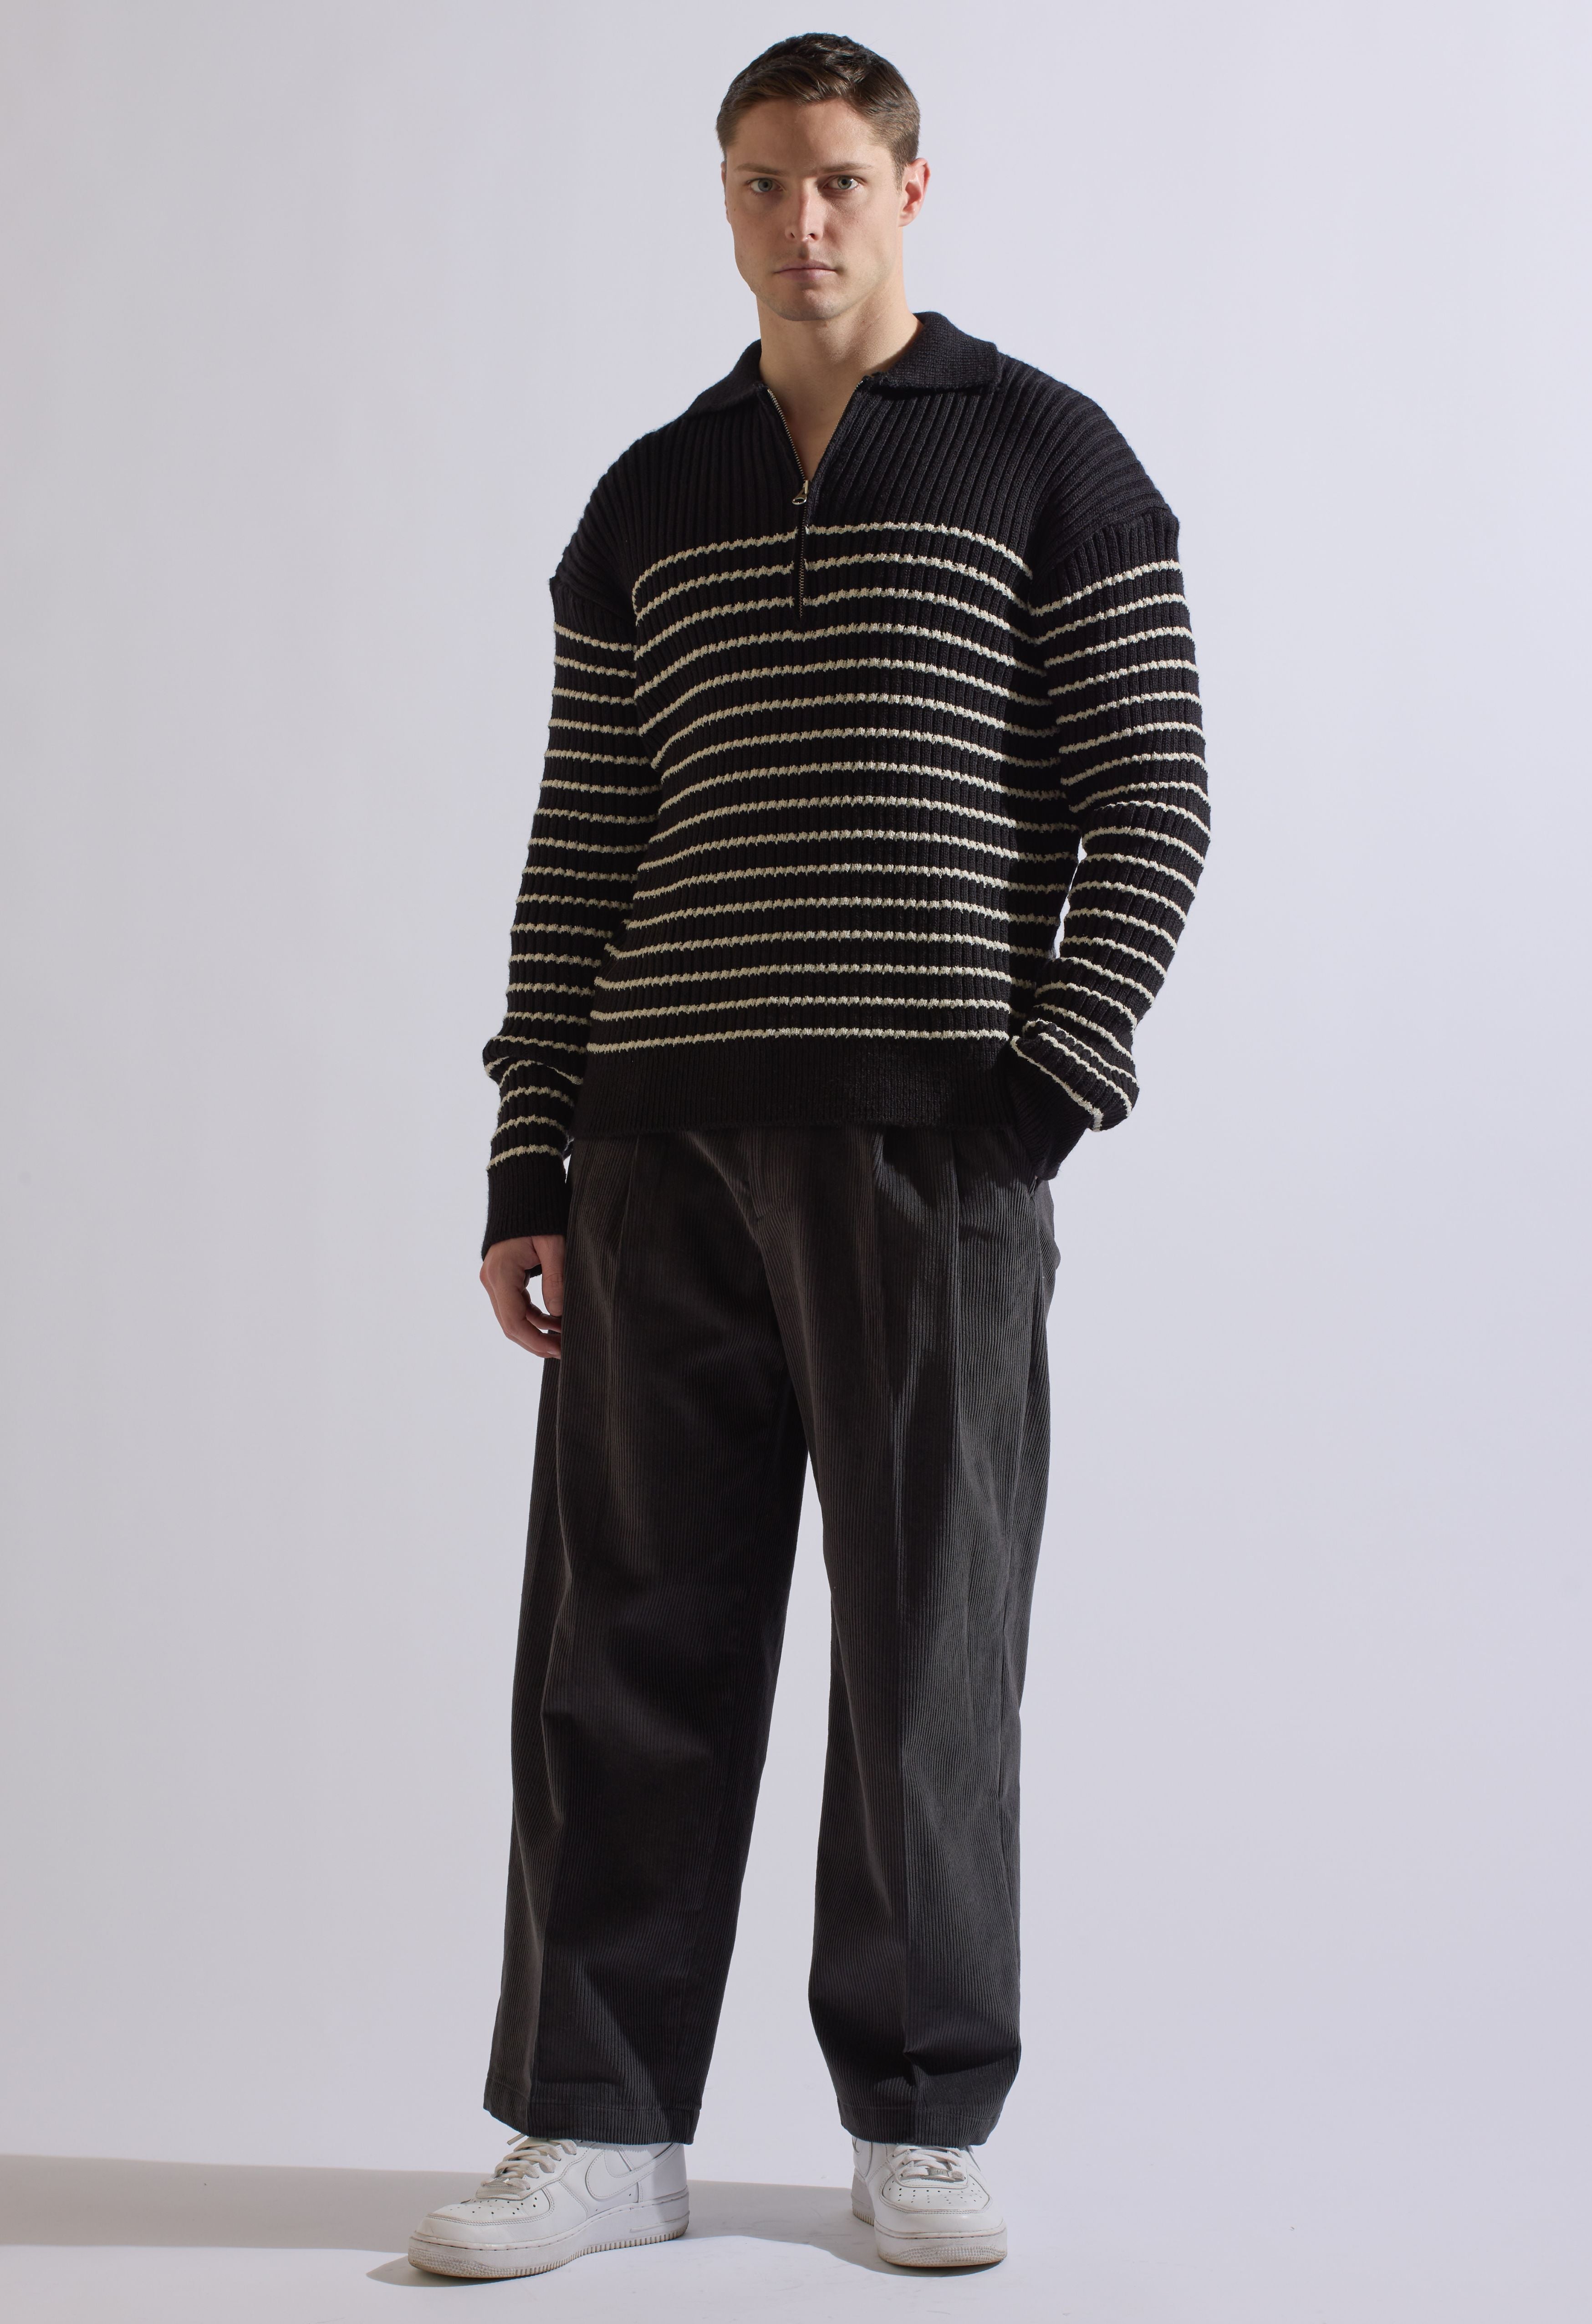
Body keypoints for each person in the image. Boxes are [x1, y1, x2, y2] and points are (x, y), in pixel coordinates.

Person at [408, 30, 1209, 2283]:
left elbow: (1153, 795)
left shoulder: (1045, 454)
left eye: (839, 176)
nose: (801, 220)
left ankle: (920, 2117)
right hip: (656, 1141)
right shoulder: (648, 492)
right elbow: (583, 844)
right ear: (726, 196)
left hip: (929, 1147)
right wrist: (530, 1157)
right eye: (761, 182)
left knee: (928, 1648)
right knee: (621, 1645)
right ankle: (598, 2125)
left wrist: (1042, 1089)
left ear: (910, 189)